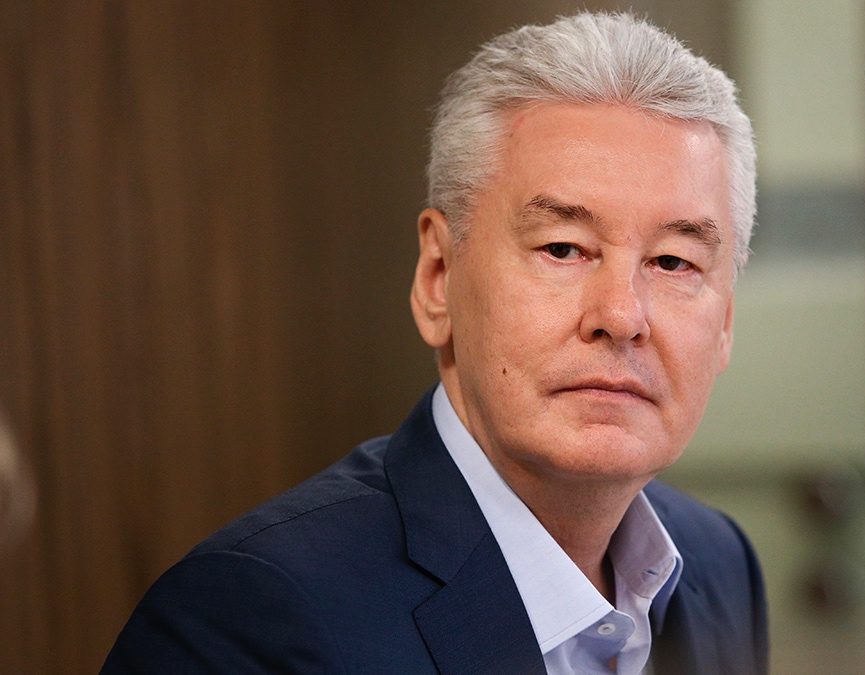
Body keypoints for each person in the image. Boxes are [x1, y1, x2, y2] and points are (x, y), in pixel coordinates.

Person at [102, 11, 767, 675]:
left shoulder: (719, 564)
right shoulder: (249, 619)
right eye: (563, 248)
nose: (621, 316)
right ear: (438, 277)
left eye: (674, 262)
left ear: (726, 322)